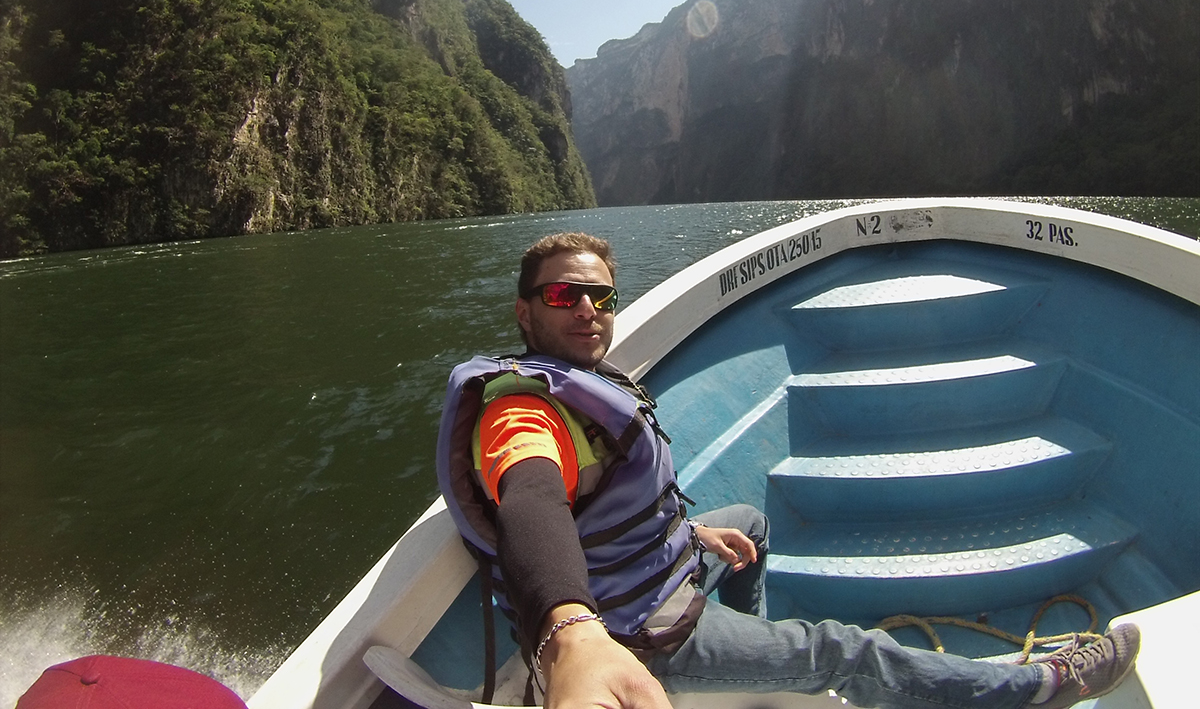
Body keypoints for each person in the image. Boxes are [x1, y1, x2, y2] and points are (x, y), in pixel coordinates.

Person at [436, 232, 1140, 709]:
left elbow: (604, 503)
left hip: (647, 572)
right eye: (564, 297)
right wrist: (574, 633)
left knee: (747, 527)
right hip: (631, 627)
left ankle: (747, 667)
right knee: (844, 650)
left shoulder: (574, 377)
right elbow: (532, 502)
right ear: (525, 312)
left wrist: (687, 534)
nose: (588, 311)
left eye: (601, 297)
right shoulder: (522, 413)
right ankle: (1035, 688)